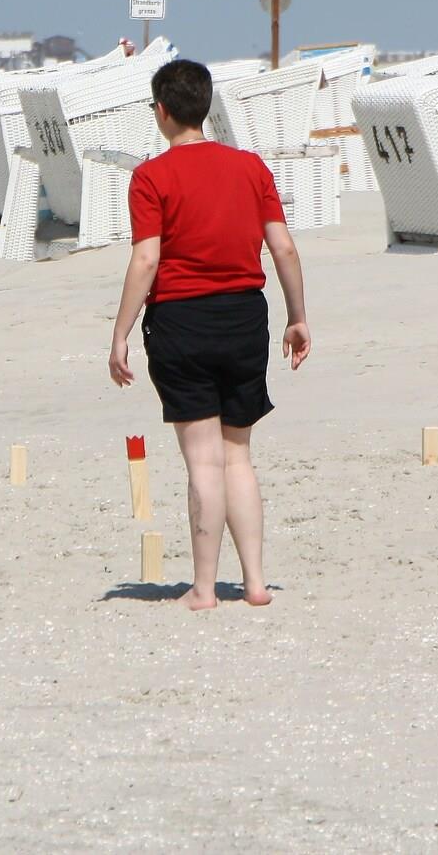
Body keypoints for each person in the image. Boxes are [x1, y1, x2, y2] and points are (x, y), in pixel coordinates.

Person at [109, 59, 310, 610]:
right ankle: (255, 583)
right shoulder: (250, 167)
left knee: (203, 462)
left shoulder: (151, 176)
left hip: (181, 321)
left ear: (162, 111)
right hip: (245, 317)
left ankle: (203, 588)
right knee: (237, 455)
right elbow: (284, 247)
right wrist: (297, 316)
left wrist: (120, 333)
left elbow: (146, 259)